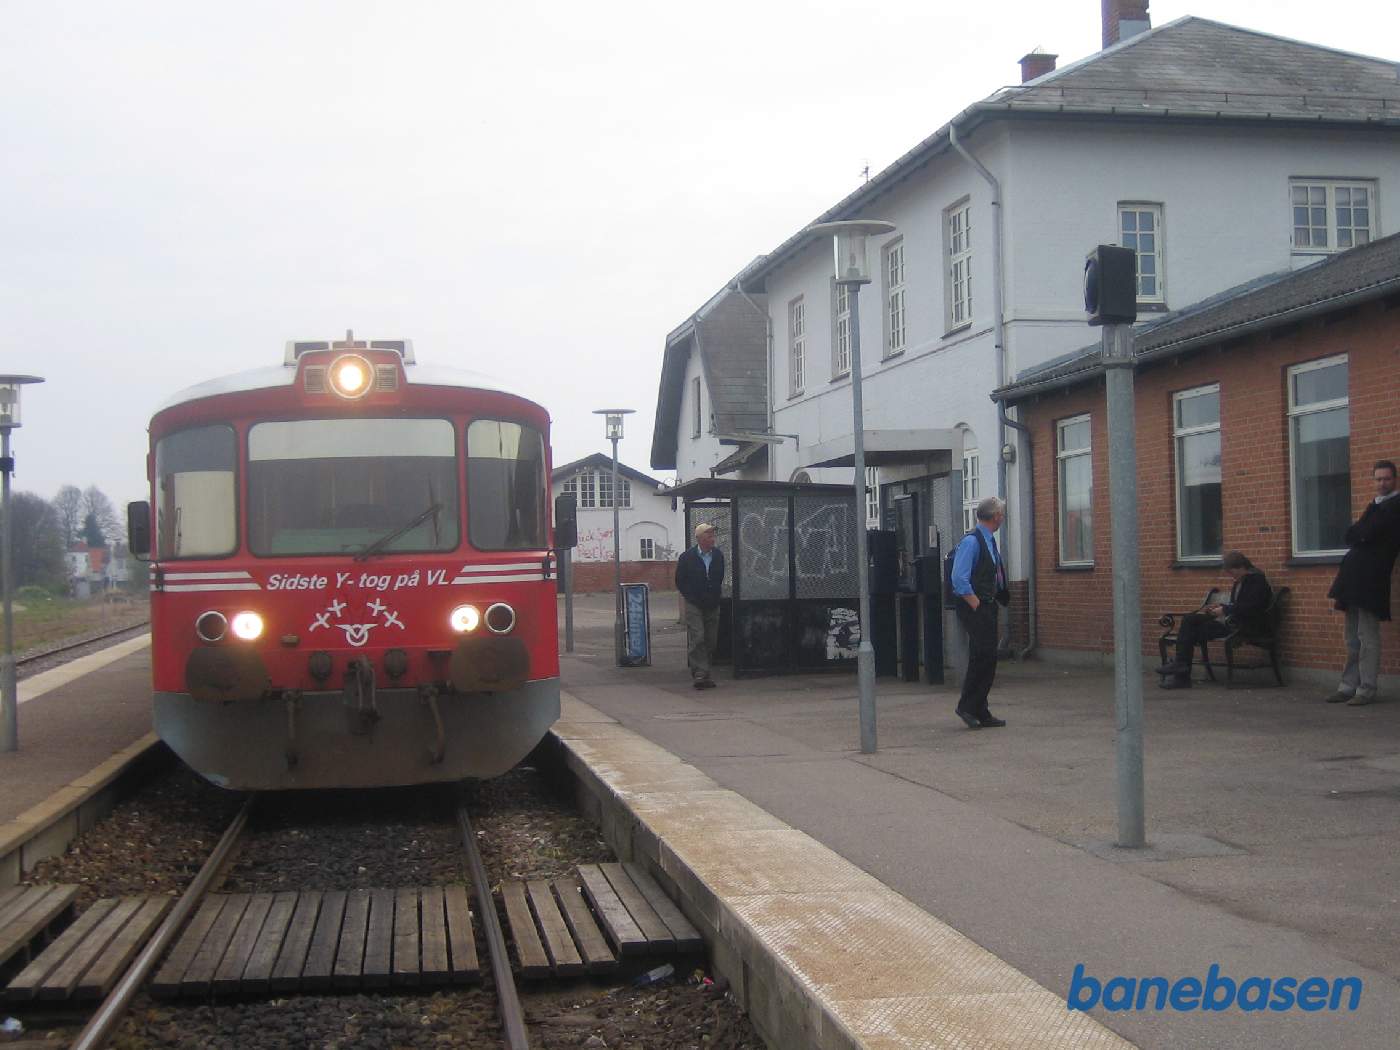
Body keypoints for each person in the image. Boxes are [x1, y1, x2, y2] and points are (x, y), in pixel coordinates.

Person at [1324, 460, 1400, 706]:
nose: (1382, 483)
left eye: (1386, 478)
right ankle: (1348, 686)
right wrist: (1361, 533)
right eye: (1378, 479)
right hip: (1353, 581)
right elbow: (1352, 534)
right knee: (1352, 638)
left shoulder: (1394, 506)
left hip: (1372, 581)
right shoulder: (1375, 505)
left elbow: (1368, 533)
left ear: (1394, 479)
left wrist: (1361, 533)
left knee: (1368, 637)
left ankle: (1366, 689)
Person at [1156, 551, 1272, 689]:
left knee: (1190, 630)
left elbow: (1252, 607)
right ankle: (1181, 668)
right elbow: (1238, 604)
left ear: (1241, 567)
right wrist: (1220, 607)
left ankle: (1182, 674)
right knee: (1190, 621)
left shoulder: (1256, 580)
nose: (1231, 576)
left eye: (1231, 572)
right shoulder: (1241, 581)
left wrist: (1225, 610)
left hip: (1244, 626)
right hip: (1233, 621)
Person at [950, 496, 1010, 729]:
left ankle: (980, 709)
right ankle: (967, 705)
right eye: (1001, 514)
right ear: (995, 516)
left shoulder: (988, 541)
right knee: (982, 655)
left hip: (987, 602)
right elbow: (958, 578)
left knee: (988, 657)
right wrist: (976, 603)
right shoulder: (972, 542)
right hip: (976, 605)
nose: (1003, 517)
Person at [675, 522, 725, 690]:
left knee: (711, 639)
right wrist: (691, 596)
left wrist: (714, 595)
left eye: (713, 535)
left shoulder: (718, 556)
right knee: (698, 637)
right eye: (709, 535)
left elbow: (719, 577)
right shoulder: (687, 557)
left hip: (712, 603)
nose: (713, 539)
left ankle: (705, 671)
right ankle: (700, 673)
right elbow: (680, 580)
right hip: (694, 603)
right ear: (700, 538)